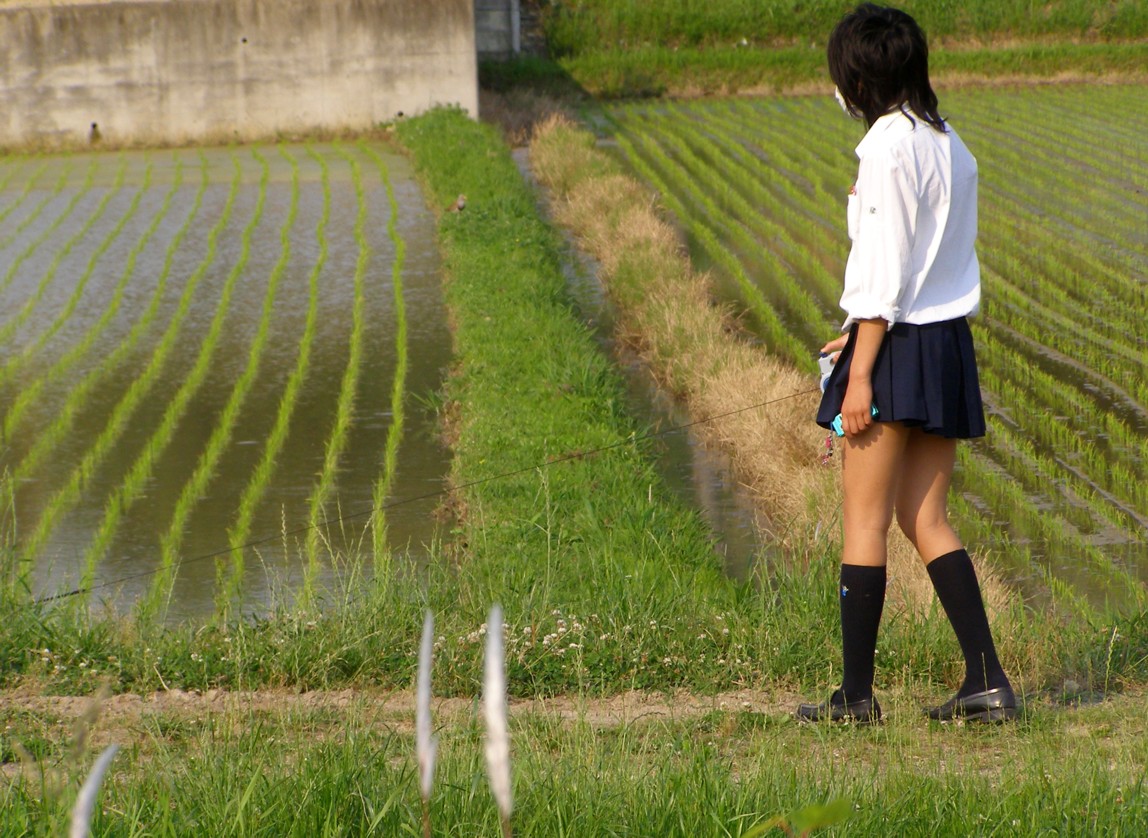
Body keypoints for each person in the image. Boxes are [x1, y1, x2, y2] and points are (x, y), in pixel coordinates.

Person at [796, 3, 1016, 725]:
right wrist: (856, 338)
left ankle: (856, 699)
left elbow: (885, 271)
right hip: (943, 343)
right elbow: (924, 264)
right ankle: (986, 681)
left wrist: (859, 372)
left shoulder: (887, 147)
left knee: (864, 521)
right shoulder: (949, 141)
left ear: (858, 79)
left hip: (893, 346)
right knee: (926, 516)